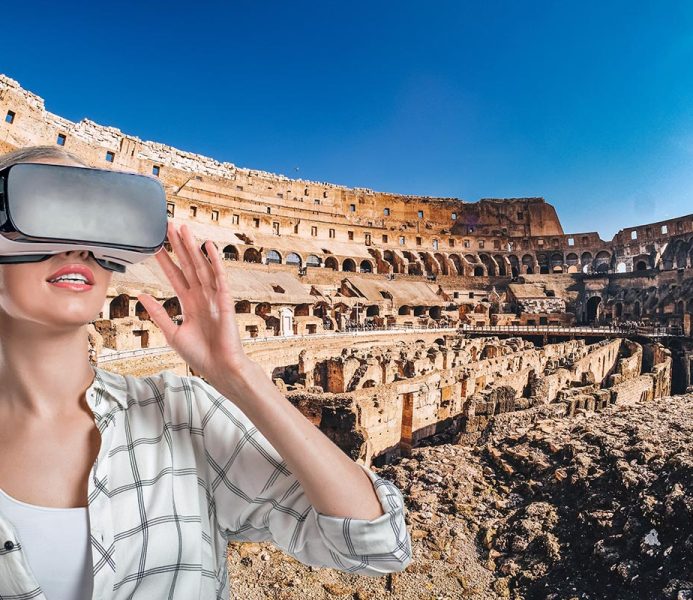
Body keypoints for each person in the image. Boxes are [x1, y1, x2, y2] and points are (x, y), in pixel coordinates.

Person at [0, 146, 412, 599]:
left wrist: (239, 376)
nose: (79, 247)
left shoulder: (183, 414)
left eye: (95, 223)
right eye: (46, 213)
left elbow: (377, 545)